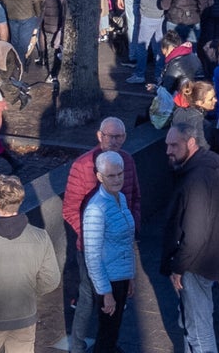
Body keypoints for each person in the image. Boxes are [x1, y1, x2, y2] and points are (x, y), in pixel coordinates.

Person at [62, 117, 141, 353]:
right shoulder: (82, 165)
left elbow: (135, 198)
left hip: (120, 246)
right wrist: (92, 236)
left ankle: (108, 344)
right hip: (91, 246)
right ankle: (78, 345)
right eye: (110, 136)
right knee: (89, 296)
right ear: (99, 136)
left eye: (119, 136)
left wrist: (131, 227)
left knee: (115, 302)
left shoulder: (127, 161)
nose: (115, 141)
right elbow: (70, 209)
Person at [0, 175, 60, 351]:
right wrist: (29, 292)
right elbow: (51, 279)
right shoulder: (40, 237)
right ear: (19, 202)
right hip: (25, 318)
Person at [161, 122, 219, 353]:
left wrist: (178, 266)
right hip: (202, 260)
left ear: (191, 142)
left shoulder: (196, 178)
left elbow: (195, 233)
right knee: (191, 323)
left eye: (174, 145)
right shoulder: (205, 168)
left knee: (198, 329)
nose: (168, 150)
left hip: (194, 264)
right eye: (167, 145)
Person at [82, 151, 136, 353]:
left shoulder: (120, 198)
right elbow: (92, 257)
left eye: (120, 174)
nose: (117, 179)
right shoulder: (96, 209)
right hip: (108, 280)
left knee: (113, 330)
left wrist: (129, 276)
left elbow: (126, 243)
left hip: (121, 277)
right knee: (106, 333)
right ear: (99, 177)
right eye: (111, 176)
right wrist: (106, 293)